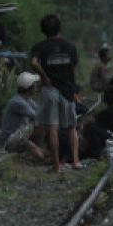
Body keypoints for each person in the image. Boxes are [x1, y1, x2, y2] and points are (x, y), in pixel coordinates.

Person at [29, 13, 83, 173]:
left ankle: (57, 166)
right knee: (71, 128)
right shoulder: (70, 47)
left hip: (50, 90)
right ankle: (76, 162)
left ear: (43, 30)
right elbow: (73, 70)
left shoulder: (39, 47)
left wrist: (44, 76)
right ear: (60, 28)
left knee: (52, 128)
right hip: (67, 90)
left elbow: (33, 62)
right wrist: (73, 90)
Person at [0, 72, 49, 163]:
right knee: (40, 125)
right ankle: (43, 157)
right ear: (29, 88)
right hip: (8, 140)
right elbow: (38, 116)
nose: (36, 88)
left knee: (42, 124)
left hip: (18, 133)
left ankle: (42, 150)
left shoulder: (27, 99)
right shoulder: (18, 102)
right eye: (35, 85)